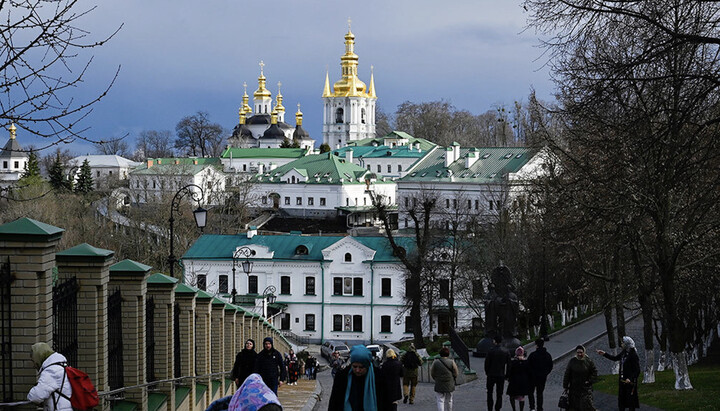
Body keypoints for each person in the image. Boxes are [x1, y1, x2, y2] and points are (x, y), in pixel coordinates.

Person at [328, 345, 390, 411]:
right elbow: (334, 402)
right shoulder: (342, 377)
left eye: (361, 367)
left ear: (367, 366)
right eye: (354, 367)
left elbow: (386, 402)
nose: (357, 370)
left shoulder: (379, 377)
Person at [596, 336, 640, 411]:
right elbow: (615, 358)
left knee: (630, 401)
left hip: (629, 382)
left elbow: (637, 370)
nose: (621, 344)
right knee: (621, 399)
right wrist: (604, 354)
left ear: (627, 344)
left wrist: (630, 378)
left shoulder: (633, 355)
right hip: (622, 380)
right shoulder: (624, 353)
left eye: (623, 343)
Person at [27, 342, 72, 410]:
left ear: (39, 357)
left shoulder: (51, 372)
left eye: (34, 361)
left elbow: (35, 396)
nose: (34, 365)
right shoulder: (61, 365)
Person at [563, 345, 598, 411]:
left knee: (585, 406)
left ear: (584, 352)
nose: (579, 354)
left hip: (585, 389)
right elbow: (567, 374)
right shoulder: (572, 361)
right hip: (574, 389)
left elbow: (594, 372)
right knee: (573, 406)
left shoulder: (588, 361)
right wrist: (565, 385)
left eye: (581, 352)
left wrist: (589, 381)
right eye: (578, 352)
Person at [485, 335, 510, 411]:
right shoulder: (506, 351)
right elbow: (509, 364)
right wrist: (507, 375)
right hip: (501, 375)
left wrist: (487, 372)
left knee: (489, 393)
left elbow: (486, 363)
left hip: (491, 375)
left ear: (495, 341)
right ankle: (498, 408)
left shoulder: (490, 351)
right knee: (499, 394)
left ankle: (490, 408)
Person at [527, 338, 553, 411]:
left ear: (536, 345)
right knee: (540, 393)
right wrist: (545, 373)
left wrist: (530, 373)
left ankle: (532, 407)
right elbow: (550, 366)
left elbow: (528, 366)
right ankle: (539, 408)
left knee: (530, 392)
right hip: (542, 377)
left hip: (533, 377)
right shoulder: (548, 355)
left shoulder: (533, 355)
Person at [430, 347, 459, 411]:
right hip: (449, 382)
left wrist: (436, 379)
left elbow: (432, 372)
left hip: (439, 382)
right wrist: (453, 378)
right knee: (449, 399)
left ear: (440, 354)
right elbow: (456, 372)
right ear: (448, 354)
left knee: (440, 400)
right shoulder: (451, 362)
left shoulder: (436, 362)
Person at [506, 346, 531, 411]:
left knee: (512, 396)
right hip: (523, 381)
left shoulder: (513, 362)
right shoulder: (526, 362)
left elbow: (509, 371)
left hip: (513, 381)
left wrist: (507, 378)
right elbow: (529, 372)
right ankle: (521, 410)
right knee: (521, 397)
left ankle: (514, 409)